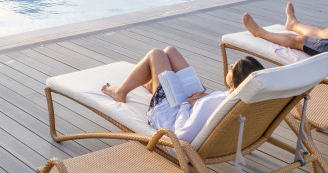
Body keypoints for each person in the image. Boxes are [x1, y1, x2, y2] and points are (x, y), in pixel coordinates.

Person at [101, 46, 265, 143]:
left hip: (170, 113)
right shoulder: (245, 98)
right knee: (170, 52)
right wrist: (200, 100)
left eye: (232, 68)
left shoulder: (210, 105)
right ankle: (153, 83)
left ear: (236, 81)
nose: (230, 66)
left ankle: (120, 92)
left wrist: (187, 105)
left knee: (156, 54)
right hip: (197, 101)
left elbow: (182, 135)